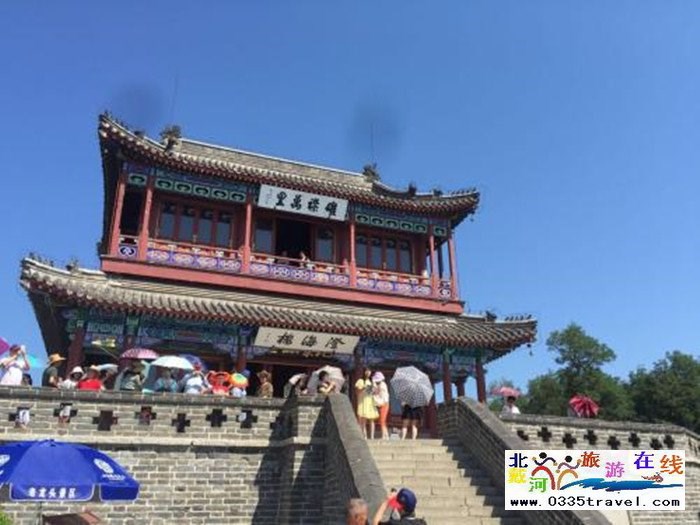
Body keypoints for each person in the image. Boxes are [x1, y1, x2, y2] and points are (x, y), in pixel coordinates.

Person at [356, 367, 379, 439]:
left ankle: (372, 436)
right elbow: (357, 392)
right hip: (363, 402)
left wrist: (374, 389)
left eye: (369, 371)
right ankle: (364, 436)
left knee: (372, 420)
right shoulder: (360, 381)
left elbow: (376, 392)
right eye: (367, 371)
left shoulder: (372, 381)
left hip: (370, 402)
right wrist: (363, 388)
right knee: (363, 420)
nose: (368, 372)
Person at [372, 372, 390, 440]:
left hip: (384, 404)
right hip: (382, 404)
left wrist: (374, 385)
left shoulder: (382, 385)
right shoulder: (380, 385)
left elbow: (376, 391)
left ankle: (383, 436)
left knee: (382, 420)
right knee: (382, 421)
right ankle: (386, 435)